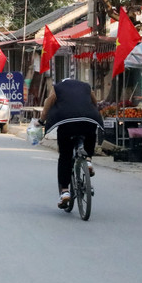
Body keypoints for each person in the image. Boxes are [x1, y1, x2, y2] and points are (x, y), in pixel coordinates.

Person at [39, 77, 104, 210]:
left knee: (65, 156)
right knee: (90, 135)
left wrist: (41, 121)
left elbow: (48, 103)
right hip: (89, 118)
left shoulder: (57, 88)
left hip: (67, 123)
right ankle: (88, 160)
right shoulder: (86, 86)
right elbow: (94, 102)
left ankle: (64, 192)